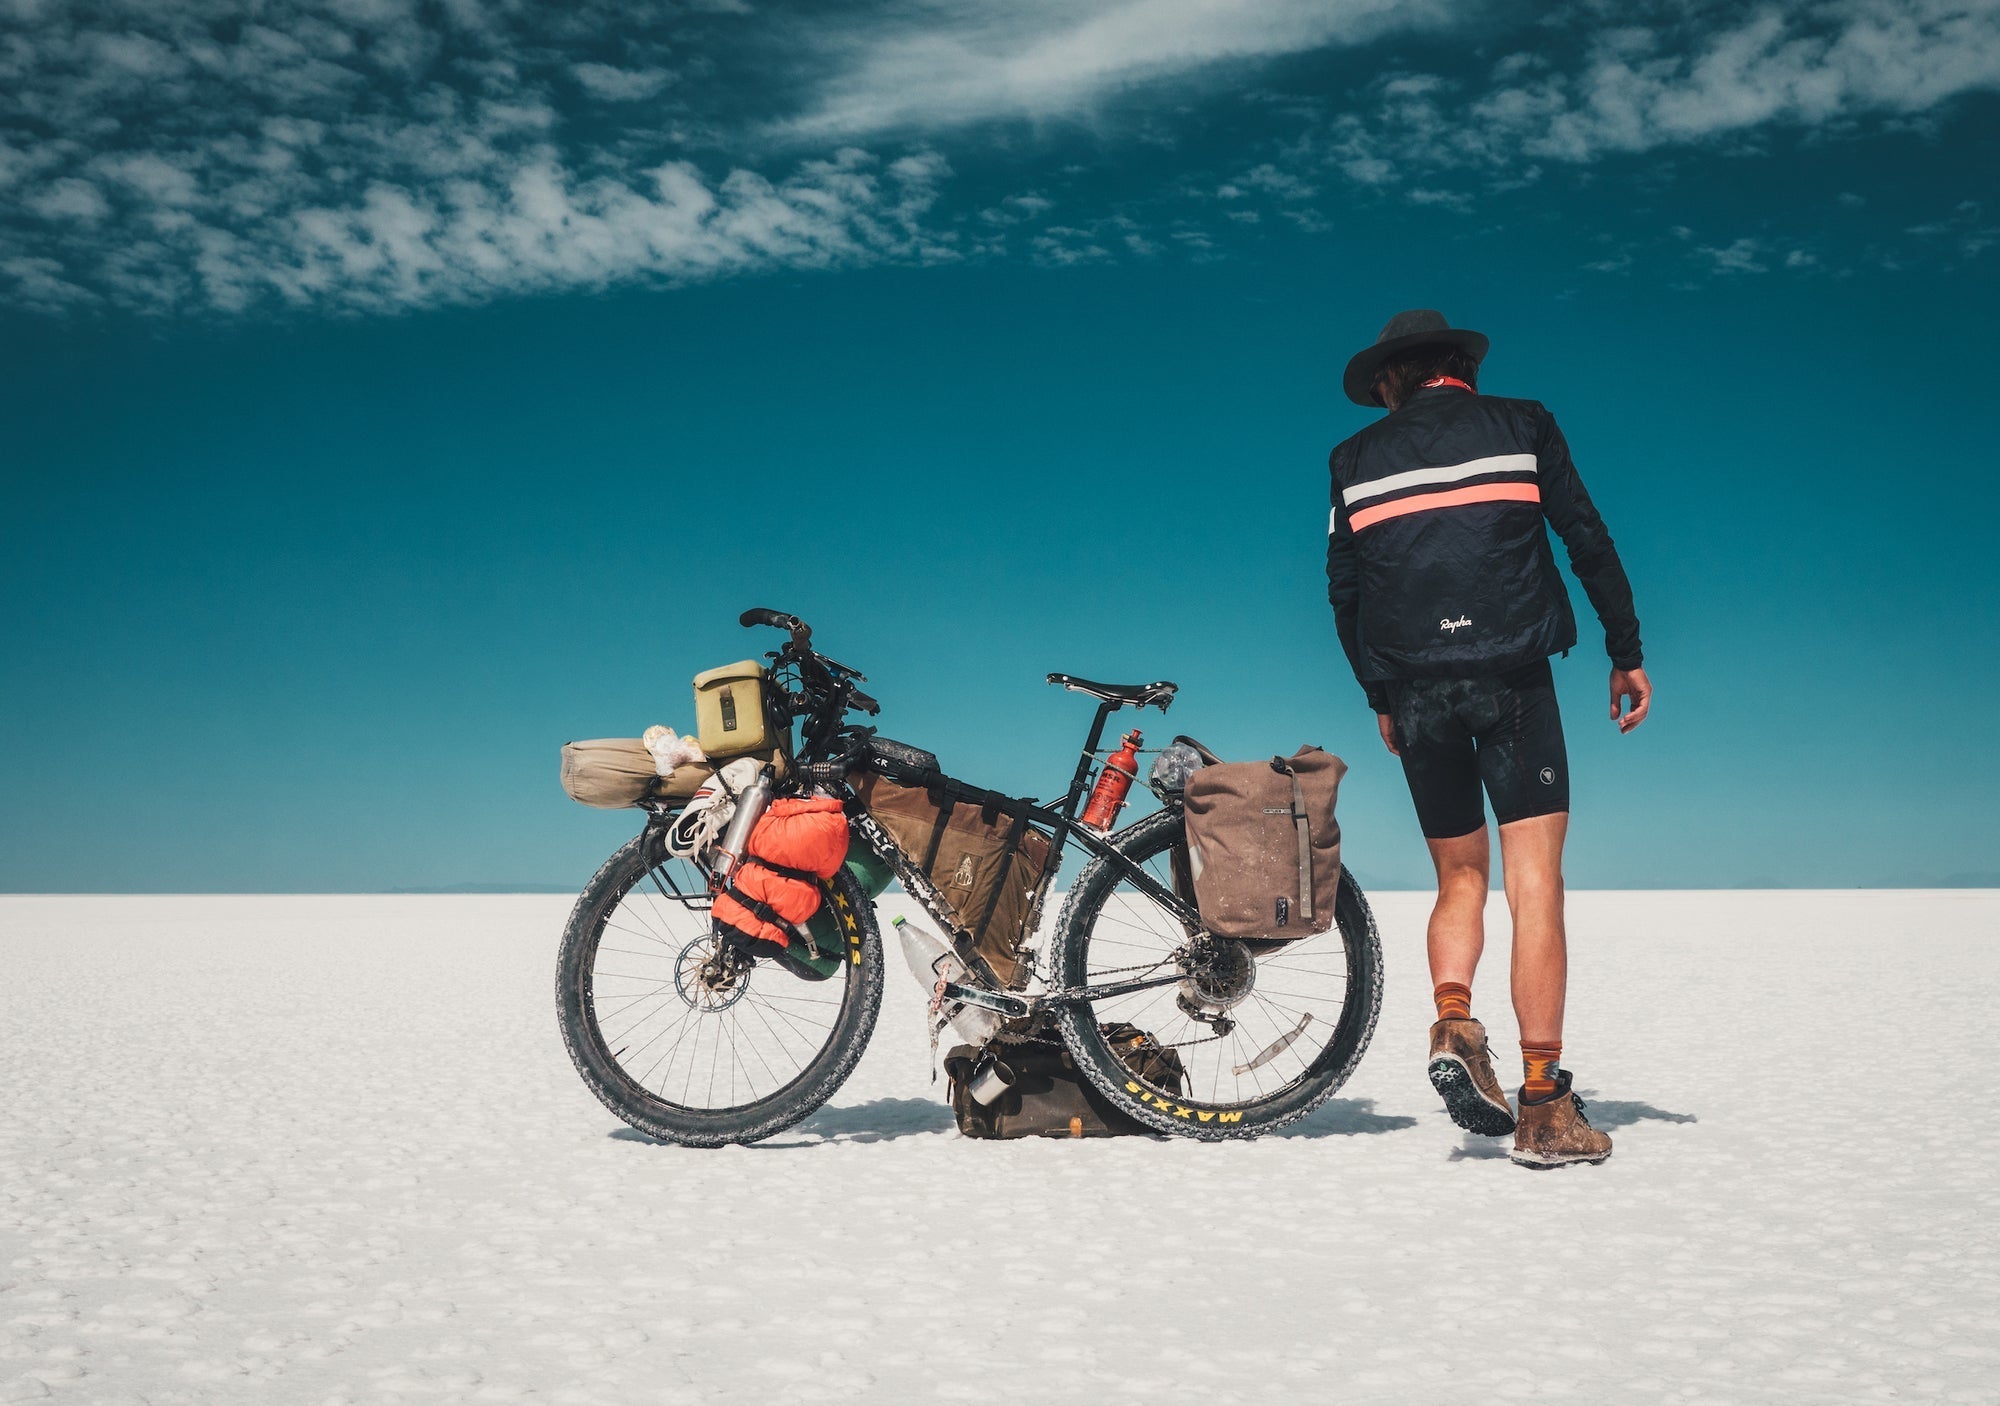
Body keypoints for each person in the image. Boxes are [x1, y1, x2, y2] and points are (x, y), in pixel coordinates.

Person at [1324, 309, 1651, 1168]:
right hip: (1513, 679)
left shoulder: (1353, 462)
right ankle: (1544, 1104)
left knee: (1458, 875)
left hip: (1416, 687)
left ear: (1393, 381)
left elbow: (1344, 593)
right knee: (1535, 878)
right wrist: (1626, 652)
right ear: (1459, 367)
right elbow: (1586, 538)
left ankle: (1453, 1017)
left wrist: (1381, 696)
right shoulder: (1524, 425)